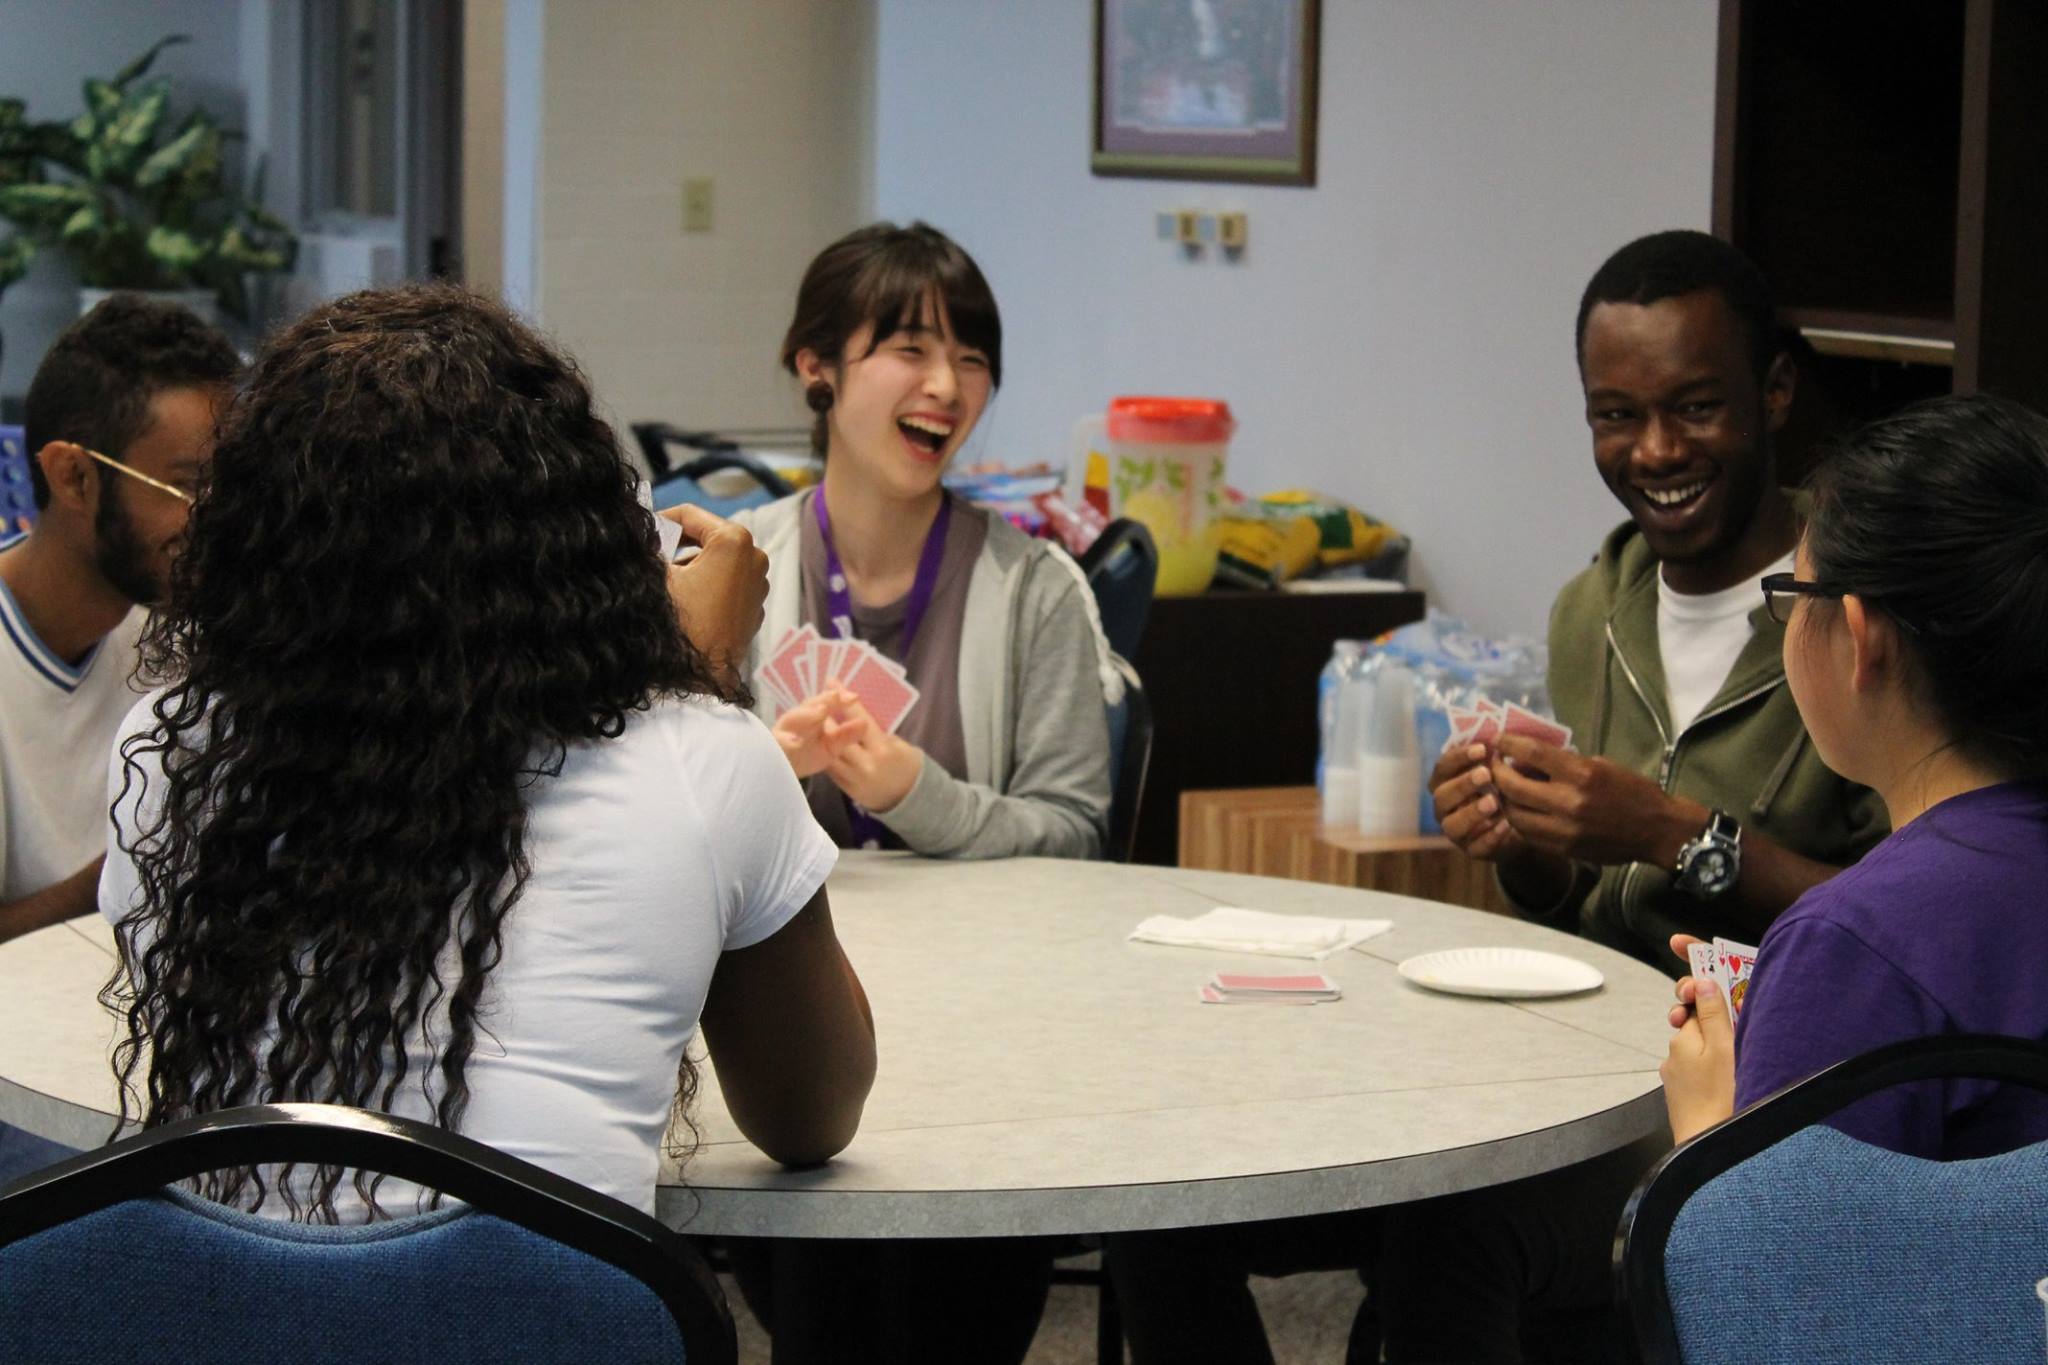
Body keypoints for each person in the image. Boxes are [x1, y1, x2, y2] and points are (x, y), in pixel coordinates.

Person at [1108, 230, 1889, 1364]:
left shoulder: (1848, 606)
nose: (1655, 449)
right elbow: (1567, 920)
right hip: (1555, 1063)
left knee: (1457, 1234)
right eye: (1615, 415)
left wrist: (1678, 836)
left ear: (1773, 393)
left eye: (1695, 407)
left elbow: (1899, 933)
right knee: (1168, 1183)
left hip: (1745, 1100)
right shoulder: (1594, 606)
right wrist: (1522, 846)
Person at [97, 284, 876, 1221]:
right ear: (572, 545)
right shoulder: (698, 761)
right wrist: (692, 679)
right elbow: (810, 1115)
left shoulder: (170, 751)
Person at [1663, 392, 2048, 1158]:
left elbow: (1762, 1273)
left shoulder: (1851, 944)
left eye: (1793, 595)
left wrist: (1710, 1129)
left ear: (1861, 635)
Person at [734, 220, 1114, 860]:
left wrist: (922, 798)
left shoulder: (1037, 590)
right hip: (780, 957)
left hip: (979, 951)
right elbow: (663, 817)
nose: (946, 387)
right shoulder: (734, 571)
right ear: (816, 367)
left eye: (972, 360)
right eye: (912, 350)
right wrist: (760, 773)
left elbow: (1077, 834)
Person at [0, 297, 238, 1185]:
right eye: (188, 486)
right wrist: (126, 866)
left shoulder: (172, 636)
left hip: (132, 1050)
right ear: (72, 476)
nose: (218, 521)